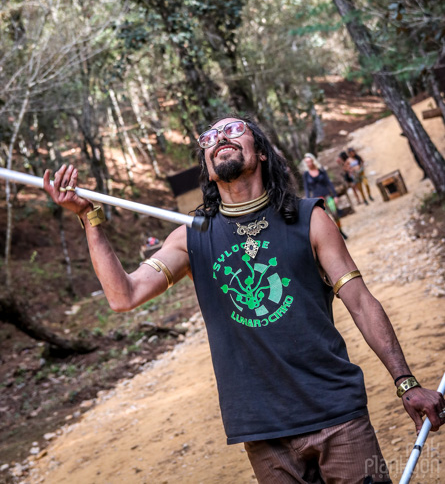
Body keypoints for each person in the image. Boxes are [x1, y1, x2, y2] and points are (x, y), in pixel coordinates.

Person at [43, 116, 445, 484]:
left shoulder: (310, 218)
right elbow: (122, 296)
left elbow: (360, 301)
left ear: (261, 150)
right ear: (207, 164)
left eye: (233, 130)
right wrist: (89, 219)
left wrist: (405, 382)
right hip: (262, 430)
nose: (220, 137)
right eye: (209, 137)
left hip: (336, 415)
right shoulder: (191, 238)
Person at [303, 152, 348, 239]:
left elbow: (328, 182)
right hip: (317, 199)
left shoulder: (321, 170)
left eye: (310, 161)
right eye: (307, 162)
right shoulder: (306, 174)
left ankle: (341, 231)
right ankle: (332, 235)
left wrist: (335, 195)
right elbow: (306, 188)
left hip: (327, 195)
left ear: (313, 161)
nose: (309, 163)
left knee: (335, 214)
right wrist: (308, 201)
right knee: (325, 218)